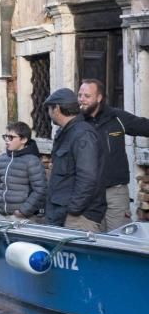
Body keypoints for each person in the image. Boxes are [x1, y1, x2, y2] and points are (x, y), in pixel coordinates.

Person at [78, 78, 149, 230]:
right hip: (87, 195)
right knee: (91, 242)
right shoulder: (76, 123)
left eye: (87, 96)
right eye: (80, 95)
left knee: (121, 239)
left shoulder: (117, 117)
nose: (81, 99)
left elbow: (145, 126)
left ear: (99, 98)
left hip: (115, 193)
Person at [44, 88, 105, 231]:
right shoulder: (66, 132)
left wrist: (73, 210)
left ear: (57, 108)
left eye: (49, 109)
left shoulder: (83, 134)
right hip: (61, 214)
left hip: (77, 217)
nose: (48, 113)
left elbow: (88, 177)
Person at [0, 121, 47, 220]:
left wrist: (23, 211)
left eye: (11, 137)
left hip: (21, 217)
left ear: (23, 139)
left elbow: (40, 190)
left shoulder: (32, 161)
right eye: (5, 137)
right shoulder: (1, 159)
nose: (7, 140)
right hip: (0, 215)